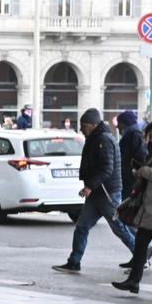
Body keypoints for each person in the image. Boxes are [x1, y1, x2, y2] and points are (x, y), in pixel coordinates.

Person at [54, 108, 136, 272]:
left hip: (106, 193)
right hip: (98, 193)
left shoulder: (102, 140)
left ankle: (142, 255)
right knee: (82, 227)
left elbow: (107, 168)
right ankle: (74, 261)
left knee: (119, 228)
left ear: (92, 125)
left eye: (83, 126)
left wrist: (89, 186)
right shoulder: (96, 138)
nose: (81, 130)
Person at [113, 119, 152, 296]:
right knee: (140, 244)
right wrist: (139, 173)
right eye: (150, 136)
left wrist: (145, 172)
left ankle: (133, 281)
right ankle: (133, 281)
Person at [117, 110, 148, 208]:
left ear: (124, 123)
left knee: (129, 209)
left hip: (131, 181)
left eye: (119, 123)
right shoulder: (131, 135)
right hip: (128, 179)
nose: (117, 127)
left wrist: (134, 172)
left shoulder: (134, 136)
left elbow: (142, 157)